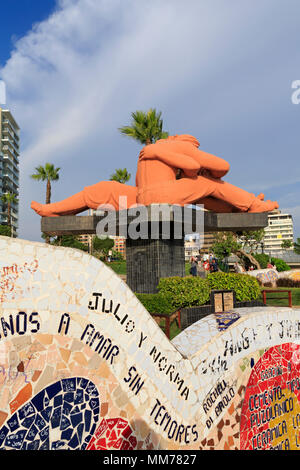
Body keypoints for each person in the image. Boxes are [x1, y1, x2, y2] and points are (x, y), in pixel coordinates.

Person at [31, 134, 279, 217]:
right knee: (208, 183)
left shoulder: (148, 152)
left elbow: (142, 183)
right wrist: (197, 167)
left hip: (141, 197)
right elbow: (222, 166)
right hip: (164, 195)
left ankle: (52, 210)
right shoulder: (181, 147)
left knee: (101, 189)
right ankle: (253, 204)